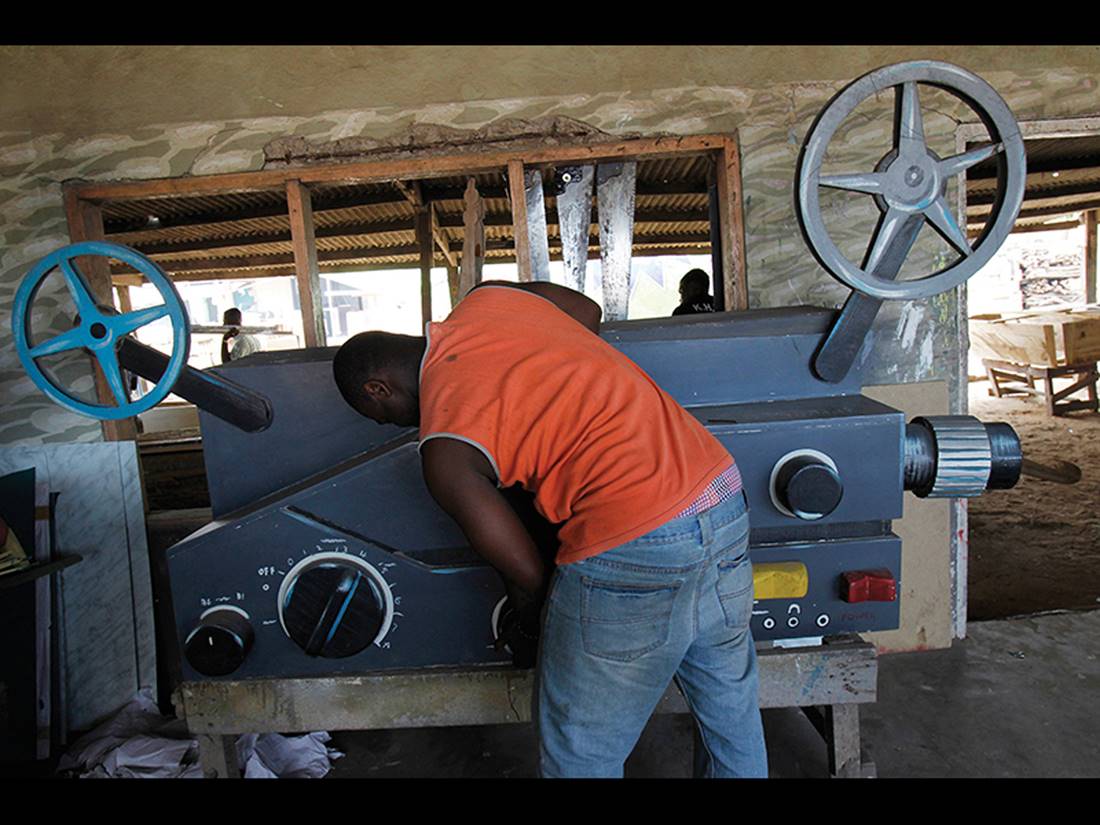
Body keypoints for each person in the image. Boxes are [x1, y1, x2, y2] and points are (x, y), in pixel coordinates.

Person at [331, 280, 766, 778]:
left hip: (630, 542)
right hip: (720, 495)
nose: (396, 426)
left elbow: (524, 570)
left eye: (382, 418)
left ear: (377, 388)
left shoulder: (444, 449)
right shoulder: (489, 299)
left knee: (581, 755)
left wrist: (537, 621)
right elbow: (587, 310)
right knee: (730, 718)